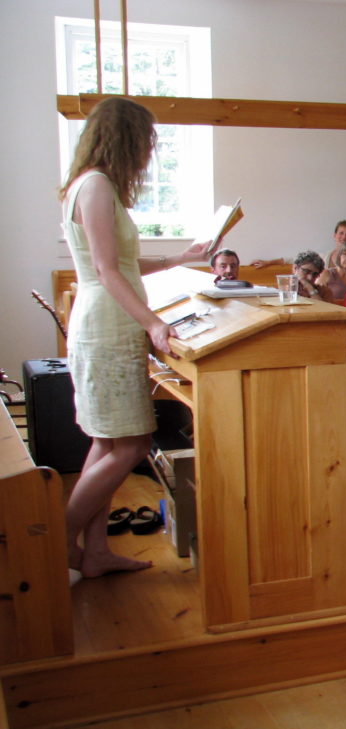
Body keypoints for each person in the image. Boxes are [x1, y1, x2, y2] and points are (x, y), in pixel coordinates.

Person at [59, 97, 216, 578]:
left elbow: (121, 262)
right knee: (131, 444)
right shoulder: (97, 186)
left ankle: (96, 552)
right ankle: (54, 540)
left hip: (104, 320)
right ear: (126, 139)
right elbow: (107, 272)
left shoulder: (89, 184)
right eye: (147, 142)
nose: (150, 153)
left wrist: (178, 258)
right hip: (107, 324)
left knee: (107, 443)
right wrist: (152, 322)